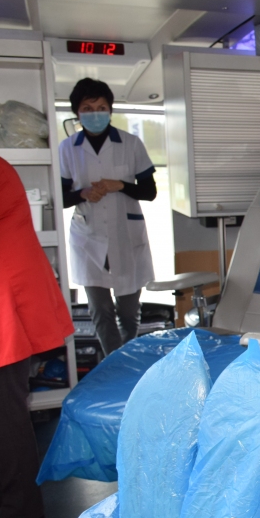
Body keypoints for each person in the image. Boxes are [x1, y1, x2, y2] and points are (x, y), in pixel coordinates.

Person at [0, 149, 75, 518]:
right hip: (0, 291)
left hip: (0, 297)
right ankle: (1, 498)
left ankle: (22, 509)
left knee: (3, 414)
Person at [60, 78, 157, 357]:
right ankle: (113, 364)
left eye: (101, 107)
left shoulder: (131, 143)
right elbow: (61, 197)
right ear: (77, 113)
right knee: (100, 310)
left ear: (110, 110)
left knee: (128, 311)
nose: (95, 113)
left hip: (125, 236)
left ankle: (126, 355)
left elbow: (149, 193)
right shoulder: (67, 149)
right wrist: (83, 193)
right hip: (88, 238)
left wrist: (121, 185)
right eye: (87, 108)